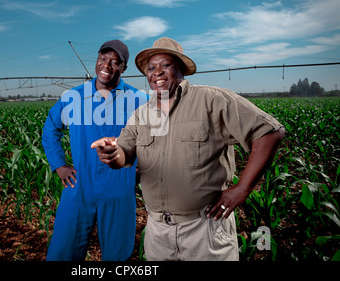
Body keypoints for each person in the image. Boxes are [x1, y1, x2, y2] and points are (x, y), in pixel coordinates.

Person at [91, 37, 285, 261]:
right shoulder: (142, 114)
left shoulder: (211, 99)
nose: (157, 72)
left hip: (204, 230)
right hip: (157, 233)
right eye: (151, 68)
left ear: (181, 68)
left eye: (165, 65)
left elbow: (270, 132)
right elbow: (124, 153)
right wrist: (113, 153)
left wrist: (242, 189)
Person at [42, 40, 148, 261]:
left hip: (119, 187)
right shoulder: (73, 97)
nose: (107, 65)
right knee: (63, 251)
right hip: (79, 185)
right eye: (102, 59)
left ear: (124, 68)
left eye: (115, 62)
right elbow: (51, 128)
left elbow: (156, 138)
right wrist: (59, 165)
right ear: (96, 60)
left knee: (118, 255)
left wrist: (141, 169)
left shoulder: (139, 100)